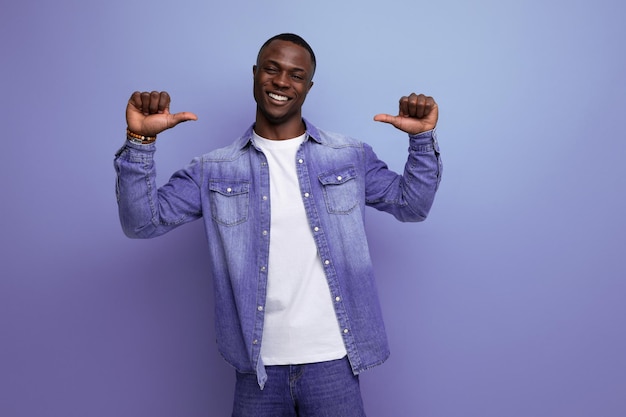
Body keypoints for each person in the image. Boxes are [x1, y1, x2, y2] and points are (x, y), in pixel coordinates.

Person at [114, 33, 442, 417]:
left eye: (296, 75)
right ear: (255, 75)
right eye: (272, 69)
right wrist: (140, 141)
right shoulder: (214, 169)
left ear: (308, 86)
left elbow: (412, 206)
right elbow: (141, 223)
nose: (282, 81)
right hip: (257, 371)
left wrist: (422, 142)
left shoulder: (348, 157)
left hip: (334, 362)